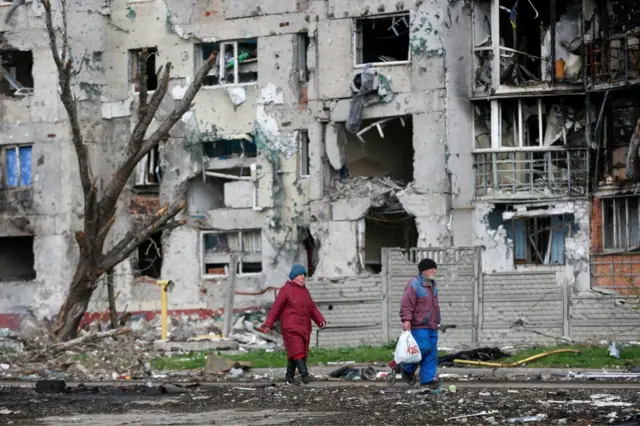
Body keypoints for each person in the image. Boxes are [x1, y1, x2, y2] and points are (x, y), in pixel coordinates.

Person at [259, 264, 326, 385]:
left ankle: (289, 377)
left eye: (304, 275)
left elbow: (312, 308)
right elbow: (276, 309)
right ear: (294, 276)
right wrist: (268, 324)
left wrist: (320, 320)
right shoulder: (286, 290)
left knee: (296, 353)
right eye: (300, 274)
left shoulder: (305, 291)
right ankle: (305, 375)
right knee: (298, 351)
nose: (303, 277)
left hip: (304, 327)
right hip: (291, 327)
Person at [399, 258, 441, 388]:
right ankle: (406, 368)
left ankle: (428, 379)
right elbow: (406, 304)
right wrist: (406, 320)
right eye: (430, 269)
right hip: (419, 324)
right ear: (423, 271)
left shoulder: (433, 284)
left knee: (432, 352)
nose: (433, 271)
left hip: (432, 324)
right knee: (422, 348)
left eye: (434, 269)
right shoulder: (414, 284)